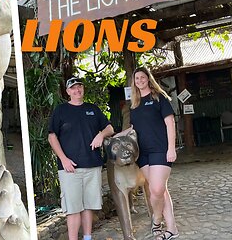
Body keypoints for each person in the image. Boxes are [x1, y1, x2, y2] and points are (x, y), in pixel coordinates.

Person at [48, 76, 114, 240]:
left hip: (92, 165)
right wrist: (63, 159)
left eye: (80, 87)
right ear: (68, 91)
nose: (77, 90)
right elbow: (52, 137)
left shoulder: (93, 109)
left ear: (82, 89)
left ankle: (87, 237)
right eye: (73, 88)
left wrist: (101, 135)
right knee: (73, 208)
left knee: (88, 207)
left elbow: (110, 128)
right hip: (70, 168)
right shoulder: (61, 110)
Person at [129, 67, 178, 240]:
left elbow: (170, 123)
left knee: (156, 189)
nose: (140, 80)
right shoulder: (134, 104)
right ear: (134, 82)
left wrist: (171, 148)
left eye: (143, 77)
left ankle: (156, 219)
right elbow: (134, 129)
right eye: (137, 78)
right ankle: (172, 228)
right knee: (160, 190)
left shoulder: (159, 98)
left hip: (160, 149)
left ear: (148, 79)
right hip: (143, 153)